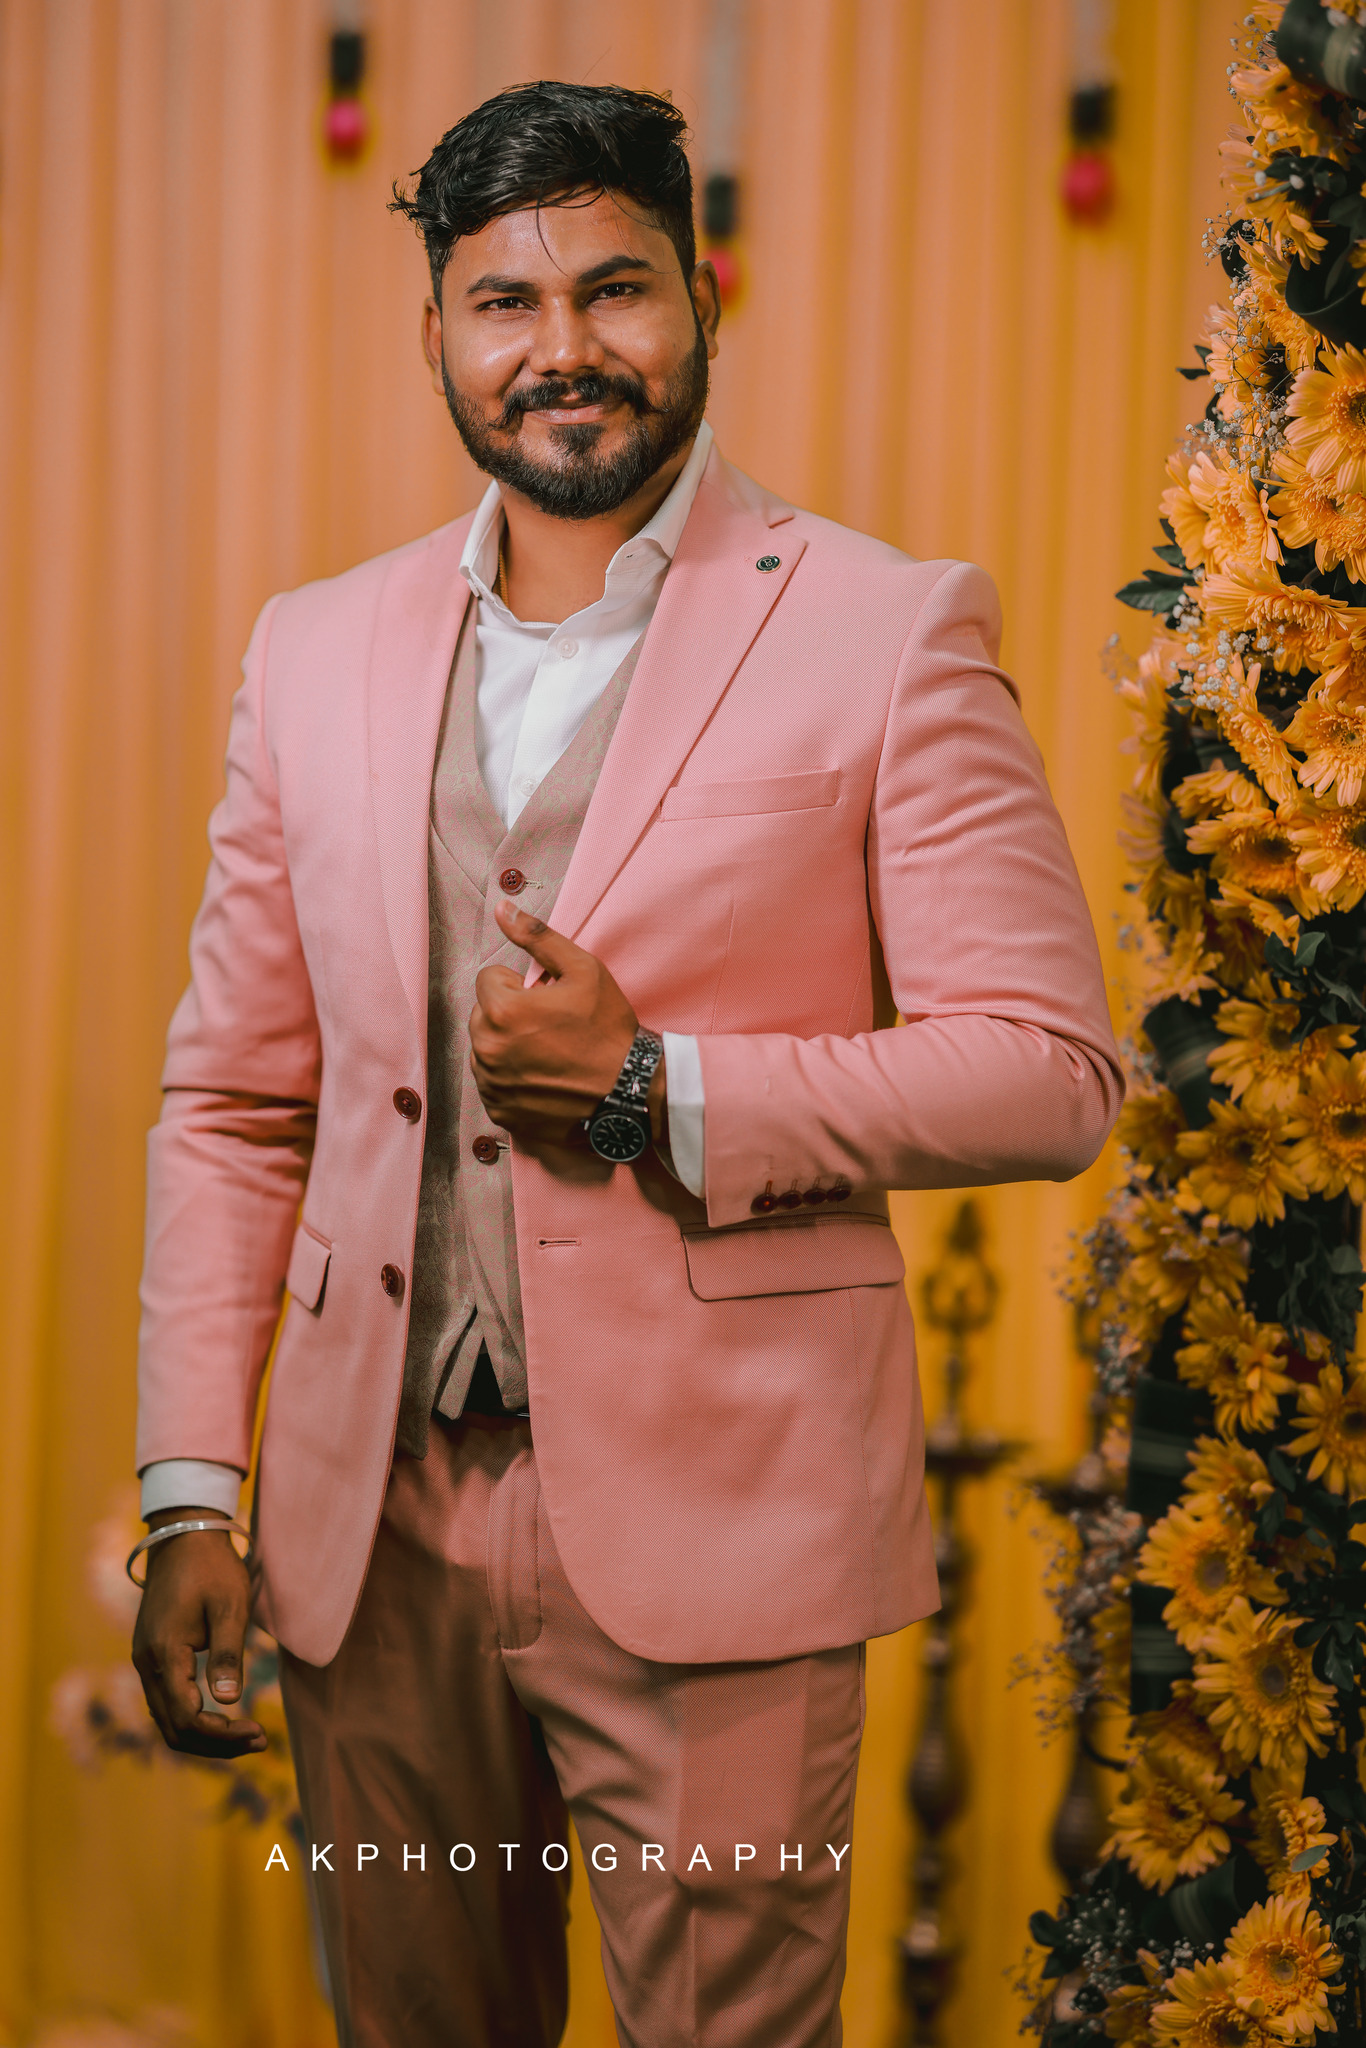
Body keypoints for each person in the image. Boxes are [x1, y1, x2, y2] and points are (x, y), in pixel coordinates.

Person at [130, 79, 1122, 2048]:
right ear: (435, 330)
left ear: (701, 295)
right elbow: (235, 1100)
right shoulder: (310, 649)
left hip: (724, 1518)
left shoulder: (884, 628)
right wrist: (188, 1489)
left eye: (614, 288)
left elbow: (1045, 1066)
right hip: (367, 1527)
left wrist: (660, 1088)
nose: (560, 347)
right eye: (502, 302)